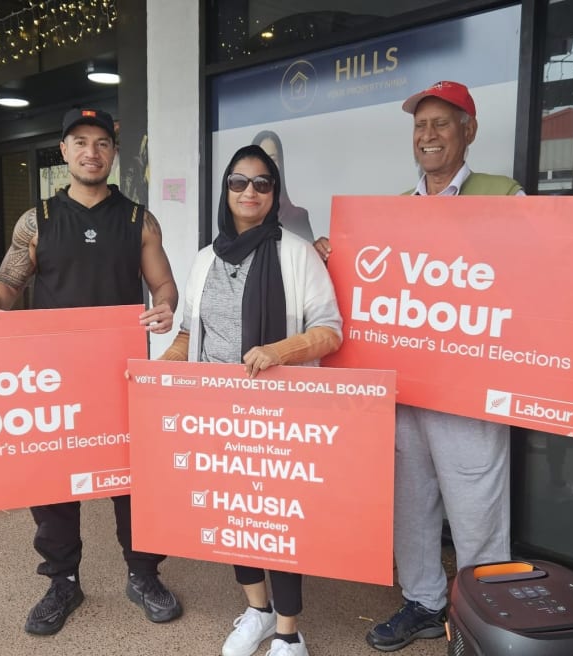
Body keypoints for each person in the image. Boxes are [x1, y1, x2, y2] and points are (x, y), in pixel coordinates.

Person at [314, 81, 573, 652]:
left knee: (475, 500)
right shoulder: (396, 211)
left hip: (470, 383)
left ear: (469, 132)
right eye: (421, 125)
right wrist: (329, 261)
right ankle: (422, 600)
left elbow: (545, 267)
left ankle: (487, 610)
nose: (428, 135)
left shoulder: (502, 195)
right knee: (410, 500)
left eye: (442, 123)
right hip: (407, 384)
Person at [0, 108, 183, 636]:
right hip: (54, 375)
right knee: (53, 479)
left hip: (121, 372)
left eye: (103, 142)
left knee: (133, 479)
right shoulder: (35, 219)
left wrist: (165, 307)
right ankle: (62, 580)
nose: (92, 151)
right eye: (80, 142)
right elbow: (8, 284)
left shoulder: (139, 220)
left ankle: (142, 573)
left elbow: (165, 286)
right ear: (63, 152)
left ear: (114, 152)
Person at [159, 144, 342, 656]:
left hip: (279, 413)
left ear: (274, 193)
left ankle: (289, 632)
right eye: (239, 182)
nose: (249, 192)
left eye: (262, 183)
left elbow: (331, 330)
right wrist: (154, 375)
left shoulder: (296, 252)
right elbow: (188, 334)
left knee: (279, 519)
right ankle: (257, 610)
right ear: (226, 190)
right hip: (217, 414)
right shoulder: (203, 260)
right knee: (233, 516)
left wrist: (280, 351)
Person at [252, 130, 314, 242]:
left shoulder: (297, 216)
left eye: (273, 159)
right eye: (261, 158)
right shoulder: (242, 215)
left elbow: (309, 257)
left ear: (280, 163)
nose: (267, 164)